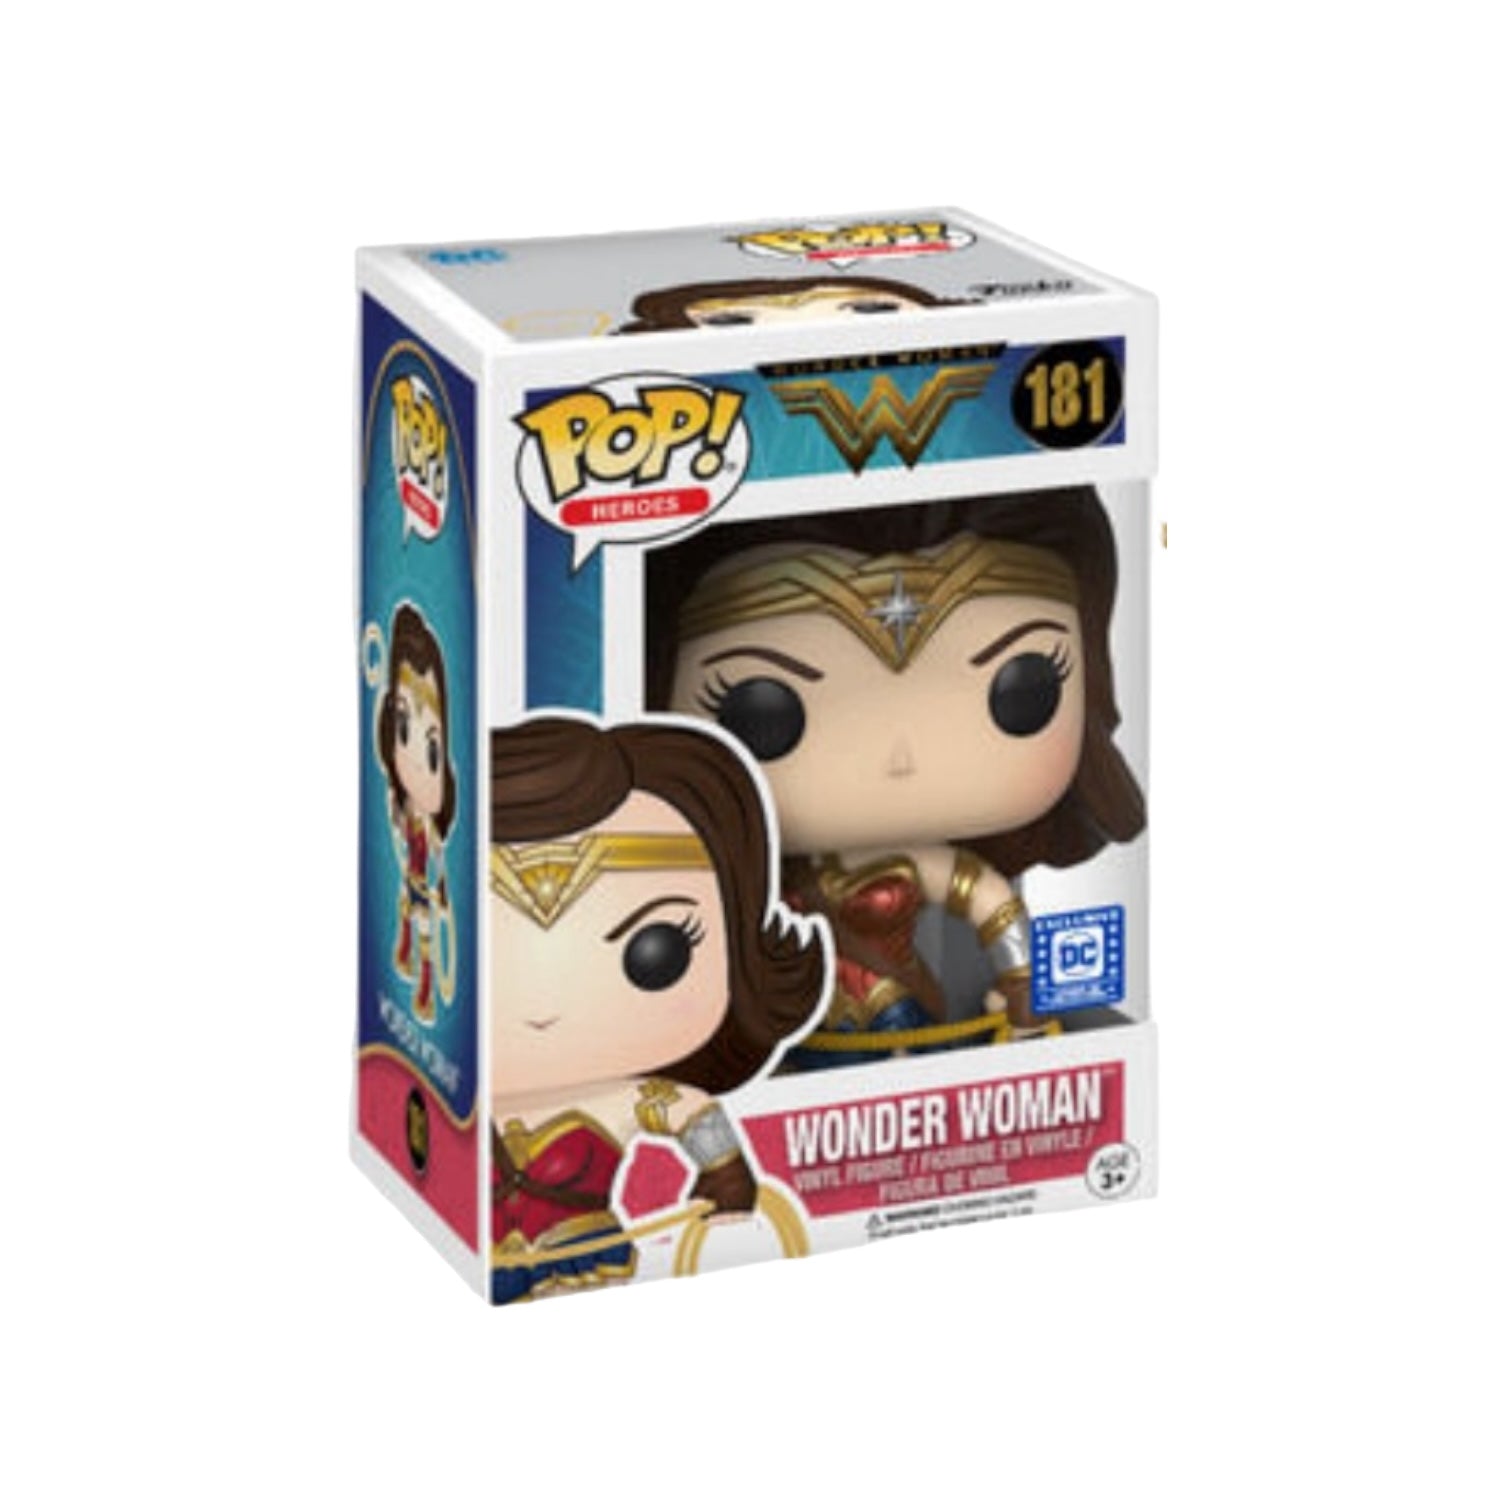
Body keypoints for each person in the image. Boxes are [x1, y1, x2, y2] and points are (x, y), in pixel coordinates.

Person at [645, 487, 1146, 1068]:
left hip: (907, 1019)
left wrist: (1022, 983)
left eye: (1021, 692)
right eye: (764, 715)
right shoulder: (744, 885)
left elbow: (991, 902)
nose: (902, 758)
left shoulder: (925, 864)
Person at [488, 716, 826, 1302]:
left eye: (656, 954)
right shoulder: (460, 1099)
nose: (544, 1006)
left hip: (586, 1265)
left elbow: (691, 1113)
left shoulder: (623, 1098)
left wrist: (726, 1175)